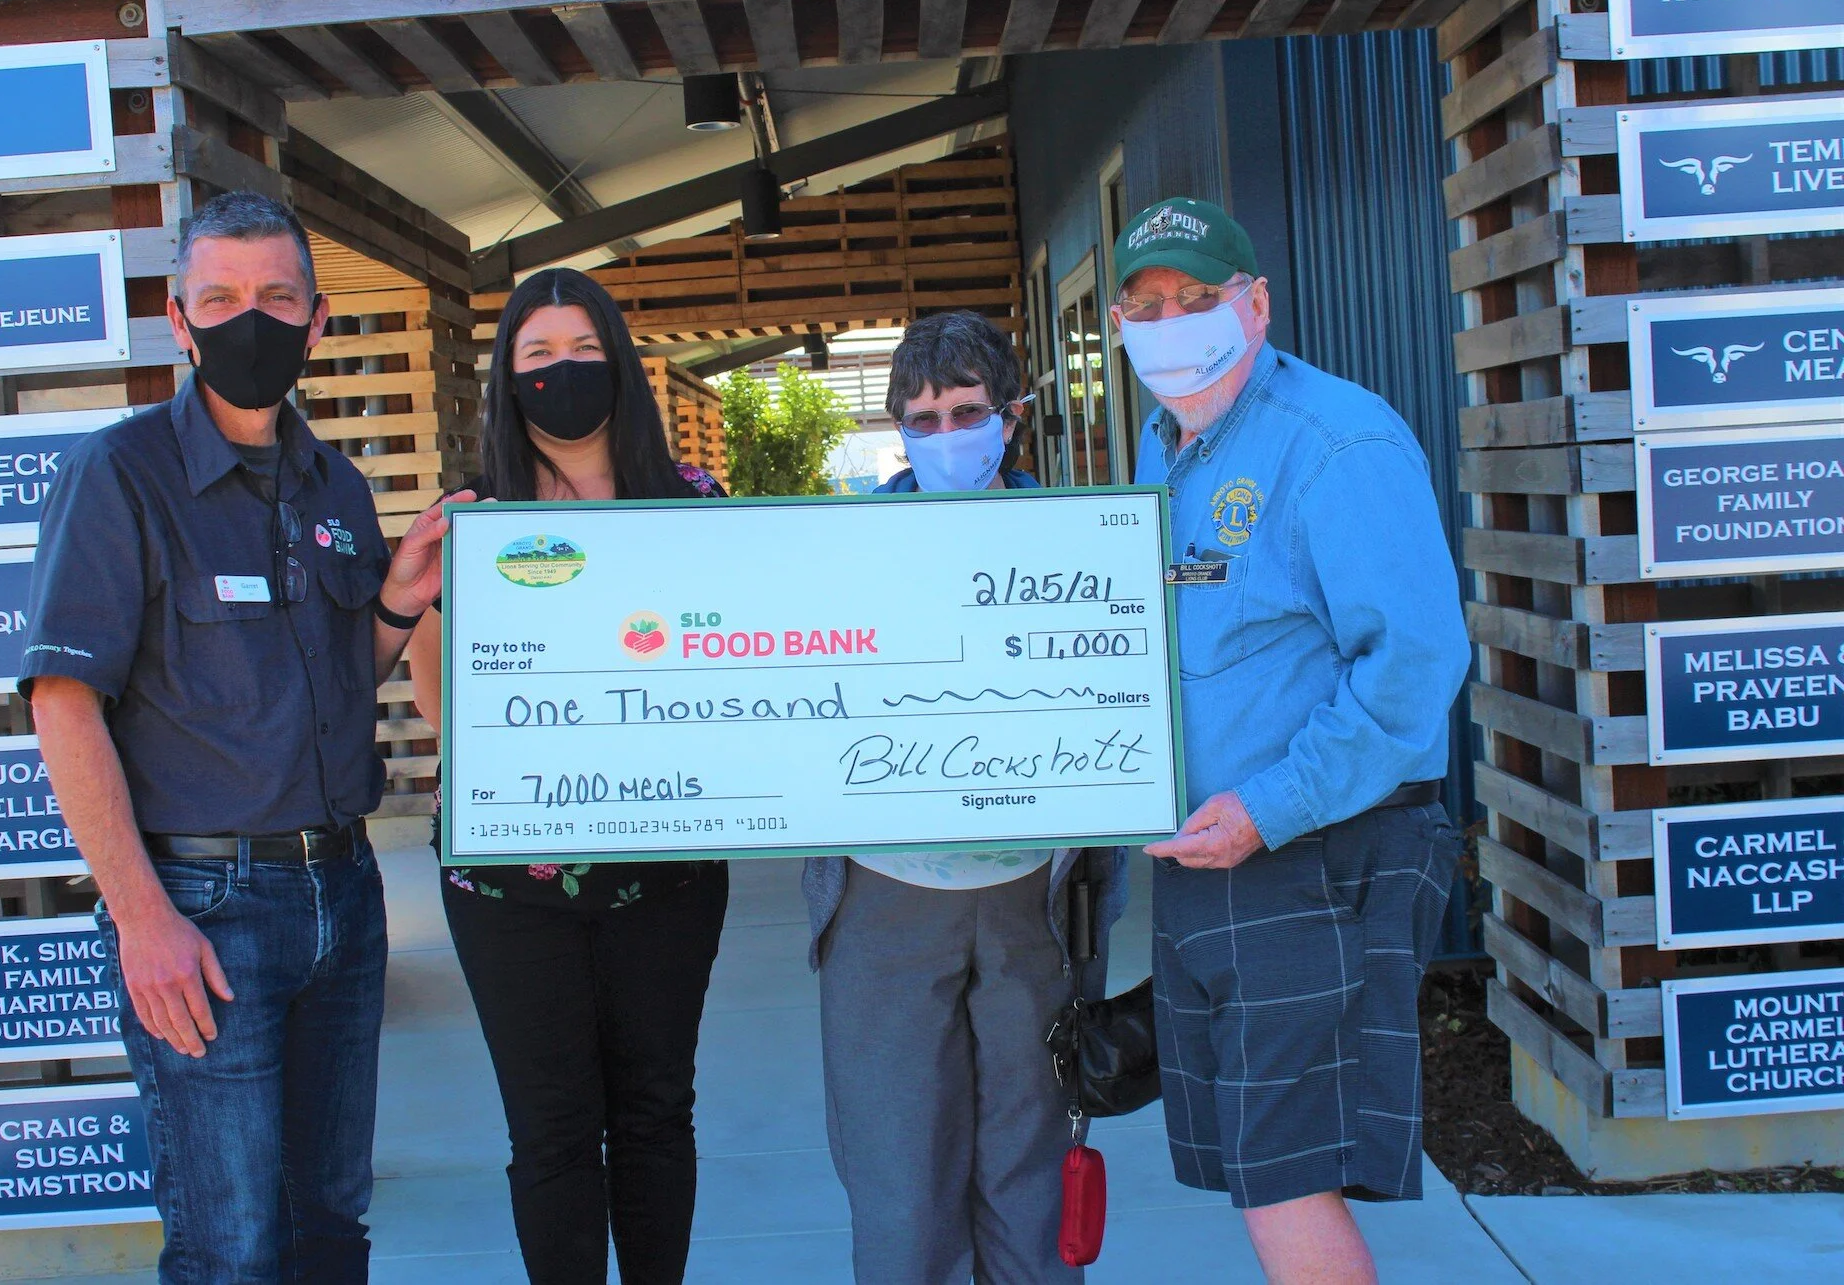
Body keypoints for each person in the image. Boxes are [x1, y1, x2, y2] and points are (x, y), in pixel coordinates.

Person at [22, 191, 464, 1281]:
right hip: (203, 915)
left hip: (343, 899)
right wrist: (142, 918)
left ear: (316, 324)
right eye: (219, 299)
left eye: (276, 298)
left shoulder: (337, 487)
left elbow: (328, 683)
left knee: (327, 1227)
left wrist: (397, 603)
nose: (247, 321)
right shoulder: (119, 476)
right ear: (178, 320)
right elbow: (63, 703)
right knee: (232, 1244)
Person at [1114, 196, 1469, 1284]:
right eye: (1145, 304)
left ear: (1255, 305)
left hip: (1315, 847)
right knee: (1251, 1161)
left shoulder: (1334, 441)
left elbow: (1413, 665)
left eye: (1197, 298)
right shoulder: (1159, 446)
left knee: (1281, 1174)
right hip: (1216, 856)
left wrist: (1268, 808)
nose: (1171, 323)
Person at [406, 266, 728, 1285]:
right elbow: (436, 696)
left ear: (620, 364)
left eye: (582, 350)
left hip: (666, 871)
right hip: (508, 879)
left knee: (653, 1109)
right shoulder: (469, 518)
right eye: (536, 355)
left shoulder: (690, 506)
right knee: (549, 1128)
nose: (561, 373)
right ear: (506, 376)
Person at [803, 310, 1128, 1285]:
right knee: (901, 1192)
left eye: (965, 411)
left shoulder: (1082, 547)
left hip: (1032, 897)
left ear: (1011, 417)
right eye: (922, 417)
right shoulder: (835, 553)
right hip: (882, 895)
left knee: (1028, 1183)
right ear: (898, 430)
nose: (945, 434)